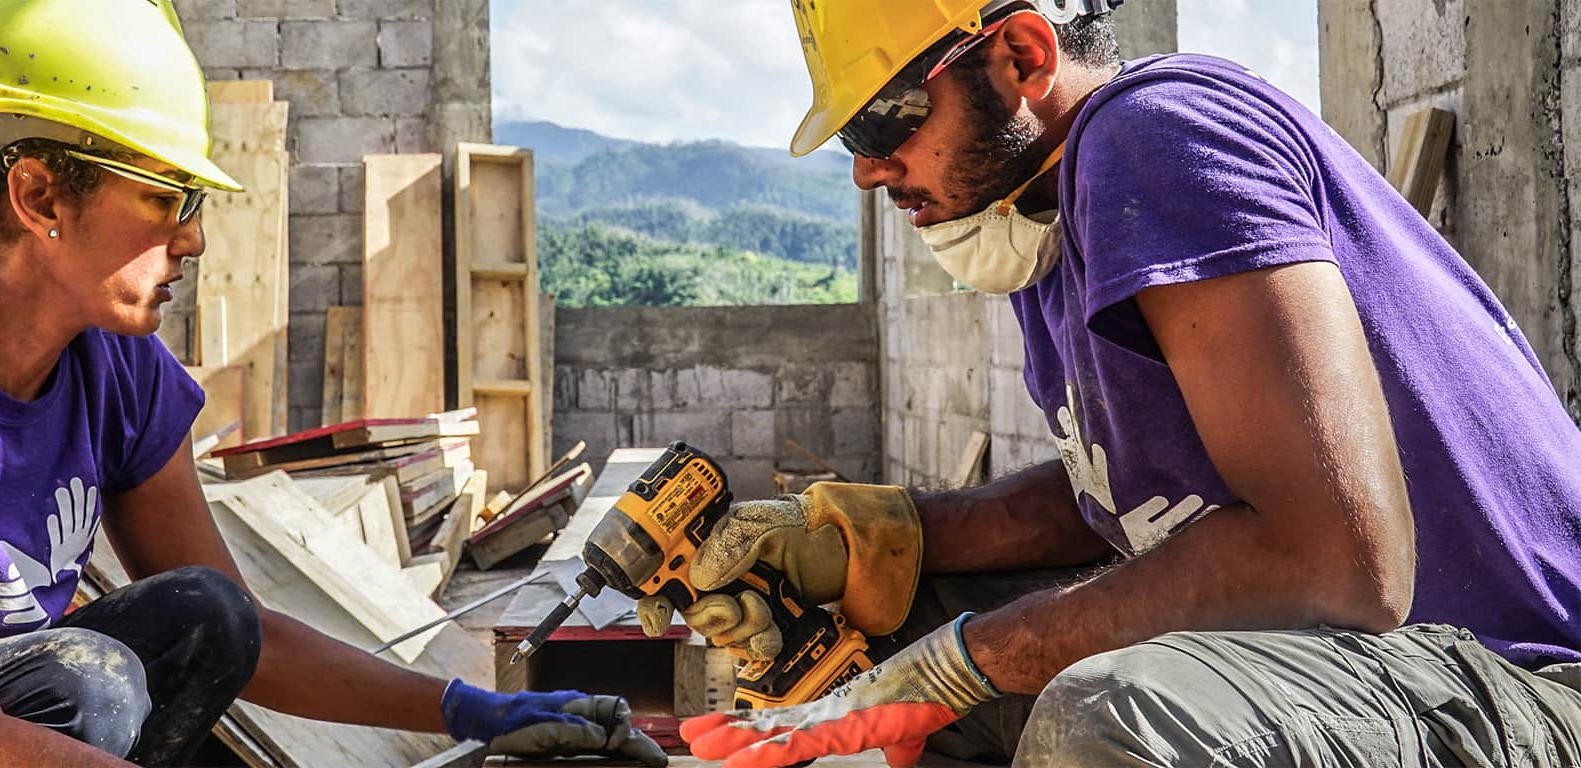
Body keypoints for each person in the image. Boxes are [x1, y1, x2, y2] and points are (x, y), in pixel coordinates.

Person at [0, 2, 664, 766]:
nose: (191, 235)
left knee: (201, 616)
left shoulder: (116, 368)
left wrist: (466, 711)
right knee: (78, 684)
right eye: (165, 197)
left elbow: (247, 631)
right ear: (40, 193)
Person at [670, 1, 1581, 766]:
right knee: (878, 640)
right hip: (1372, 658)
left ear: (1019, 56)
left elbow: (1334, 562)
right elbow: (1142, 497)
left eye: (883, 123)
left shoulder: (1157, 137)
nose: (872, 170)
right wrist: (886, 537)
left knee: (1110, 719)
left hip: (1514, 679)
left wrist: (973, 658)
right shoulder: (1040, 222)